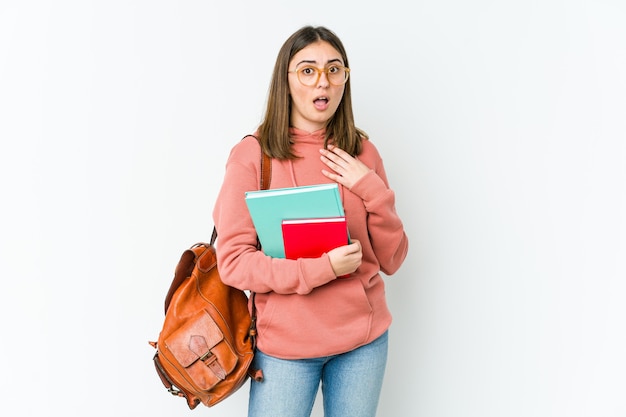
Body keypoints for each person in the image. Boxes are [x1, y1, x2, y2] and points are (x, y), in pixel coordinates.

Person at [213, 25, 409, 417]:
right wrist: (324, 269)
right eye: (308, 70)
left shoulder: (362, 152)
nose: (324, 81)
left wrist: (371, 188)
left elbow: (393, 259)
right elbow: (233, 263)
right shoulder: (253, 156)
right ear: (285, 80)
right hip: (285, 350)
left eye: (335, 70)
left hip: (363, 344)